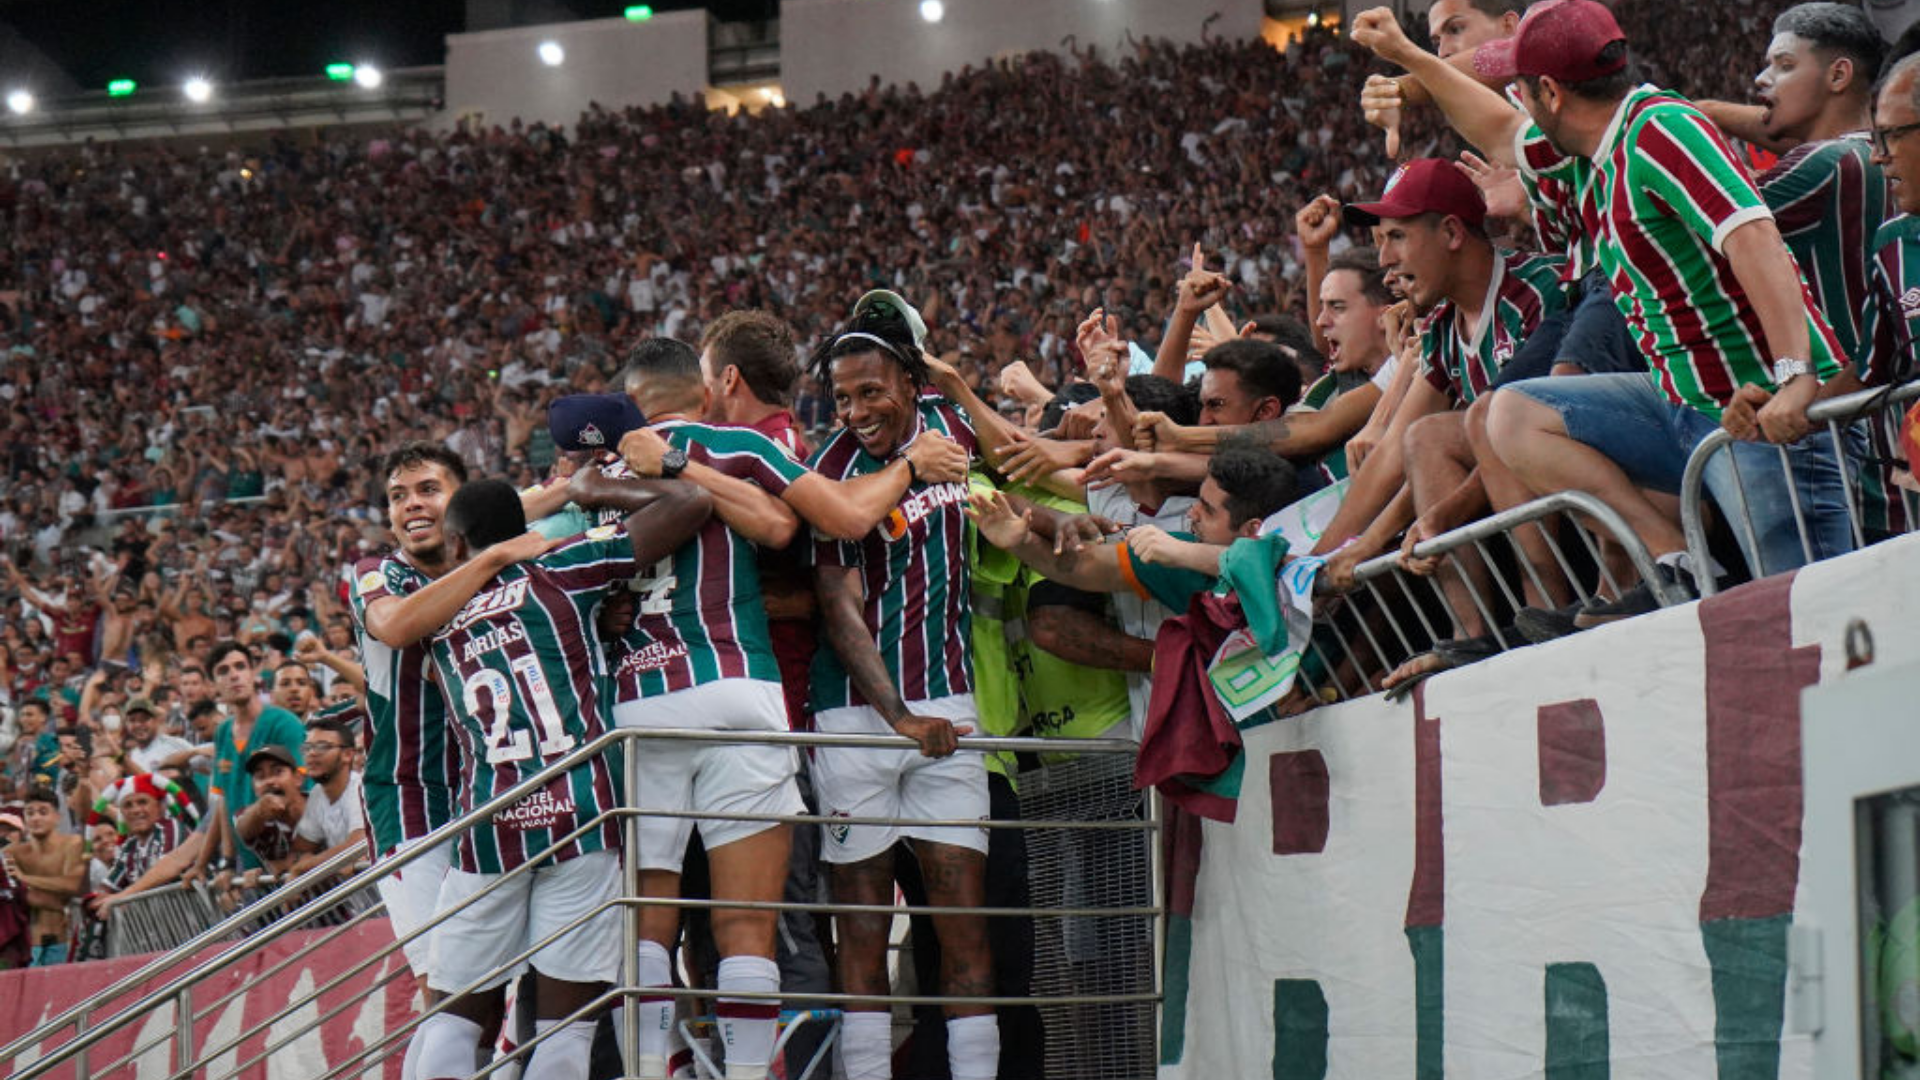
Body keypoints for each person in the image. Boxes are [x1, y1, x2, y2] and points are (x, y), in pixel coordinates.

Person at [1351, 0, 1858, 596]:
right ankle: (1674, 558)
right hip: (1685, 407)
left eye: (1520, 86)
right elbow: (1500, 130)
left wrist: (1795, 377)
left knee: (1812, 606)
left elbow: (1756, 241)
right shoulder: (1590, 152)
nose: (1516, 100)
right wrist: (1407, 58)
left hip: (1763, 412)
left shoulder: (1660, 130)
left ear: (1550, 93)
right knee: (1514, 416)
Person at [409, 476, 709, 1080]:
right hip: (583, 820)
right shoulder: (566, 570)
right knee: (564, 1038)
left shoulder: (433, 612)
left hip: (489, 828)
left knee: (450, 1025)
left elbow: (437, 682)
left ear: (457, 541)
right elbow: (691, 503)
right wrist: (598, 490)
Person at [805, 313, 999, 1080]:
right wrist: (898, 717)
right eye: (843, 397)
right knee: (862, 934)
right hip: (859, 721)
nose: (856, 411)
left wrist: (961, 387)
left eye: (870, 391)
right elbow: (839, 609)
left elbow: (1006, 448)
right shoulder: (829, 475)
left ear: (912, 387)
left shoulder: (949, 424)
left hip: (950, 706)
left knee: (966, 927)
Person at [1856, 53, 1920, 540]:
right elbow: (1866, 374)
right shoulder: (1892, 243)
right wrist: (1781, 401)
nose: (1878, 155)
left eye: (1890, 135)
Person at [196, 642, 306, 876]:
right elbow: (224, 802)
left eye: (240, 666)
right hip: (249, 869)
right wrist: (227, 862)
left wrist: (296, 859)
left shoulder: (284, 723)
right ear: (212, 685)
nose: (234, 675)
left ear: (254, 673)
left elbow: (305, 793)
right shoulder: (222, 732)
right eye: (223, 671)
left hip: (293, 863)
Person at [2, 786, 85, 965]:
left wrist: (24, 878)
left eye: (43, 812)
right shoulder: (13, 853)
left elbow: (71, 884)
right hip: (27, 945)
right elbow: (18, 894)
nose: (36, 818)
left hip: (64, 941)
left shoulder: (72, 844)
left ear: (57, 817)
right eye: (30, 813)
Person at [290, 712, 367, 878]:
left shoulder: (359, 787)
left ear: (348, 755)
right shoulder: (318, 794)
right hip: (360, 900)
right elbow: (302, 848)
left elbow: (358, 844)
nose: (312, 753)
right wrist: (305, 859)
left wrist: (305, 866)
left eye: (323, 746)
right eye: (307, 748)